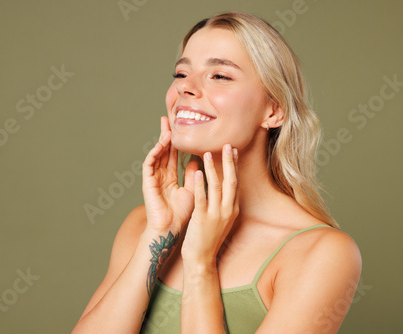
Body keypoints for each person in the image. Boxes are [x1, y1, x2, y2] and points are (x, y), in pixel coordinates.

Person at [72, 11, 362, 334]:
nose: (186, 88)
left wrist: (200, 265)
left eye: (219, 76)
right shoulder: (143, 225)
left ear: (274, 109)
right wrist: (158, 236)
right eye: (181, 73)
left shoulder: (323, 253)